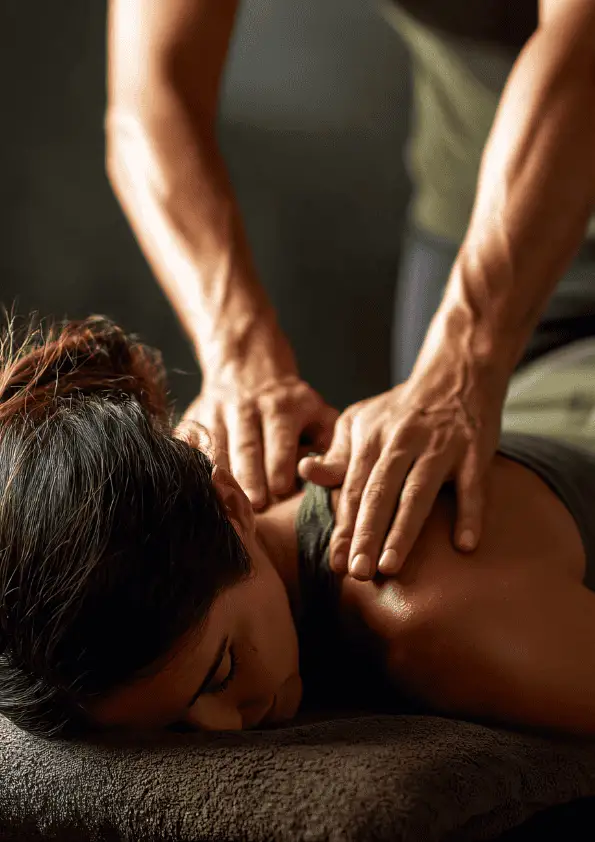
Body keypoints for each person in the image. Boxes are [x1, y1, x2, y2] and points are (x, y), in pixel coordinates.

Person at [105, 0, 595, 586]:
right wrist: (239, 356)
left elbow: (585, 47)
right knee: (423, 558)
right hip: (470, 216)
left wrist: (466, 356)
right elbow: (151, 98)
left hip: (525, 217)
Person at [2, 316, 595, 739]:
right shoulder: (200, 519)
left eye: (221, 671)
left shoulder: (421, 620)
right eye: (174, 728)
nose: (224, 727)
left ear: (231, 507)